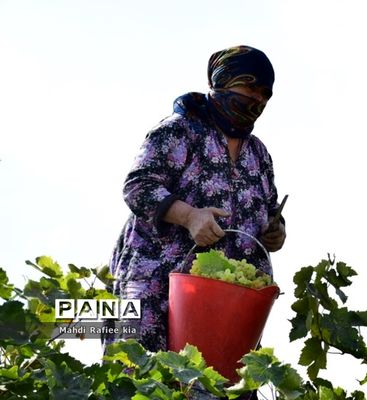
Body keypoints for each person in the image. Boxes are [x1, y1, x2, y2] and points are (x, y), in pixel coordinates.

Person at [102, 45, 286, 355]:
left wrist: (276, 231)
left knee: (220, 384)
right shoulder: (179, 131)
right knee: (142, 379)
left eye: (265, 93)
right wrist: (190, 216)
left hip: (224, 306)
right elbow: (138, 186)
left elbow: (268, 210)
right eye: (248, 86)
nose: (257, 99)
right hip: (154, 292)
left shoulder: (258, 154)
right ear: (222, 81)